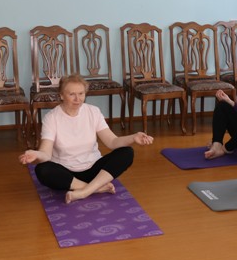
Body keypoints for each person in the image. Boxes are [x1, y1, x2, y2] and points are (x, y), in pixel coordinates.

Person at [19, 73, 153, 203]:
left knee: (127, 152)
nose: (77, 99)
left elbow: (112, 142)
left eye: (81, 94)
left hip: (93, 170)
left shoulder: (93, 111)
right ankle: (94, 188)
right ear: (61, 95)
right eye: (72, 94)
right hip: (67, 173)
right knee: (42, 169)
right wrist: (36, 154)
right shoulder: (51, 118)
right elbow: (46, 153)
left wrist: (134, 137)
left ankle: (85, 191)